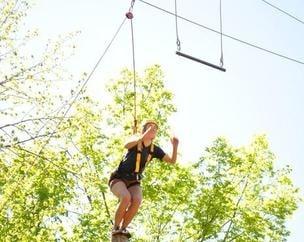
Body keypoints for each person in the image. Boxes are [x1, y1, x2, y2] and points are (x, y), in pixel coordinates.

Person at [108, 120, 179, 238]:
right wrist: (144, 135)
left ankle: (123, 228)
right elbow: (126, 145)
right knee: (126, 197)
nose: (153, 129)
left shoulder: (154, 149)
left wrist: (175, 146)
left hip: (134, 181)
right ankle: (115, 227)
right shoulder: (136, 140)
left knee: (137, 200)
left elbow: (172, 161)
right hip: (119, 177)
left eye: (155, 129)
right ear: (144, 130)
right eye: (150, 127)